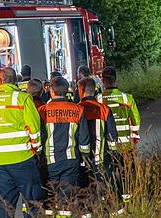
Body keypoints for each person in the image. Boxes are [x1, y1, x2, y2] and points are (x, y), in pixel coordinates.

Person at [0, 67, 44, 218]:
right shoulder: (23, 98)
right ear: (15, 80)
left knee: (4, 204)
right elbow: (34, 129)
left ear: (0, 80)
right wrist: (36, 150)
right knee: (32, 201)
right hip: (23, 158)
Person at [38, 77, 90, 214]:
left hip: (49, 162)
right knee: (66, 199)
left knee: (50, 199)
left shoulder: (42, 110)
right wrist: (85, 157)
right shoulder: (78, 109)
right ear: (67, 91)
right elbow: (84, 138)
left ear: (51, 90)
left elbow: (39, 137)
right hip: (71, 161)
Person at [99, 67, 141, 203]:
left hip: (107, 146)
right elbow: (136, 121)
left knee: (109, 174)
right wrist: (134, 138)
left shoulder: (98, 100)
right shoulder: (127, 98)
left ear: (102, 81)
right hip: (126, 144)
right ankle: (128, 200)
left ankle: (113, 200)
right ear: (116, 79)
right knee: (126, 173)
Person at [77, 77, 118, 190]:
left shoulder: (77, 109)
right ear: (94, 90)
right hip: (102, 157)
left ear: (81, 90)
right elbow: (112, 135)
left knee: (86, 190)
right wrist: (113, 154)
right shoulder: (105, 109)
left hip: (82, 160)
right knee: (105, 187)